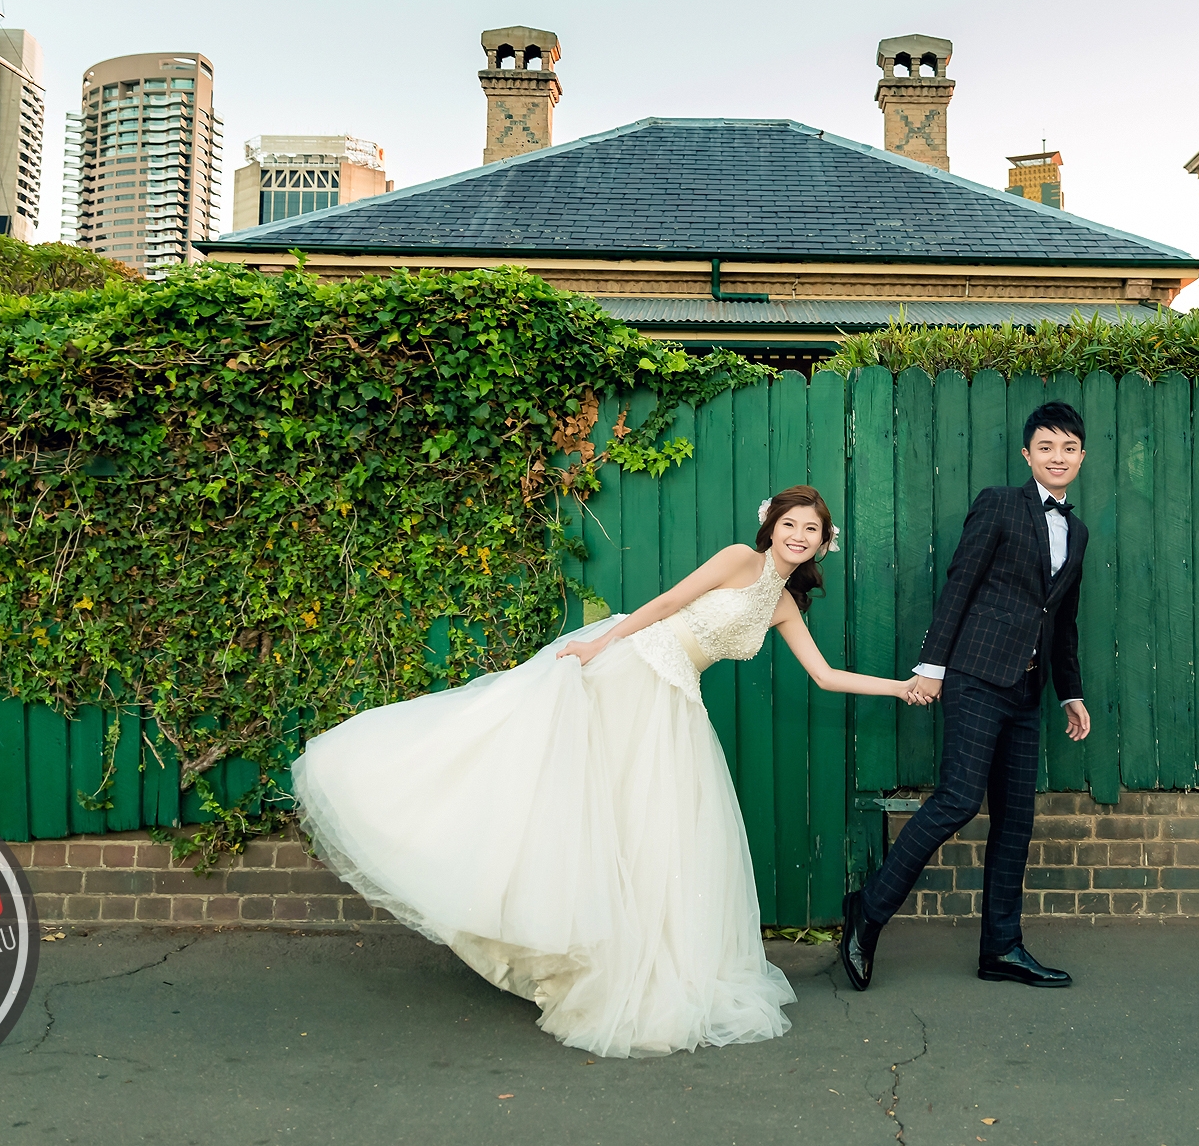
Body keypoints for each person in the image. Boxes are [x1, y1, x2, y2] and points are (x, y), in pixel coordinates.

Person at [290, 485, 926, 1058]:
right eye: (790, 523)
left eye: (810, 529)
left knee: (637, 826)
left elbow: (825, 676)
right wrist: (600, 644)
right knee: (554, 783)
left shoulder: (783, 604)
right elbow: (671, 601)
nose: (798, 535)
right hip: (635, 669)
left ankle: (610, 956)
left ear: (823, 541)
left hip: (674, 698)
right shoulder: (740, 559)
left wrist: (901, 688)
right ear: (771, 528)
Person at [840, 400, 1093, 992]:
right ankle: (868, 913)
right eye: (1047, 447)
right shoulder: (999, 503)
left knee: (1016, 820)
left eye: (1069, 448)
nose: (1058, 457)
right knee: (956, 801)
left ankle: (1001, 948)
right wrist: (932, 667)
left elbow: (1063, 620)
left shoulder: (1077, 532)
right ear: (1028, 454)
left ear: (1082, 457)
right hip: (975, 676)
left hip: (1027, 690)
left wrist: (1070, 694)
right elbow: (961, 582)